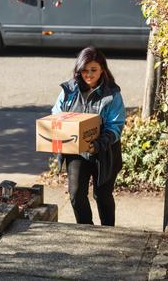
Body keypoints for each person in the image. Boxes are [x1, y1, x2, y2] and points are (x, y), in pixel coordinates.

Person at [52, 46, 125, 226]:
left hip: (105, 152)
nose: (89, 74)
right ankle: (87, 231)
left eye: (94, 70)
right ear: (79, 70)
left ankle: (108, 232)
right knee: (76, 194)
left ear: (102, 70)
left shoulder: (112, 94)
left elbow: (115, 126)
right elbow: (56, 114)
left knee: (102, 196)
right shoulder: (69, 91)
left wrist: (97, 144)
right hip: (77, 151)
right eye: (85, 70)